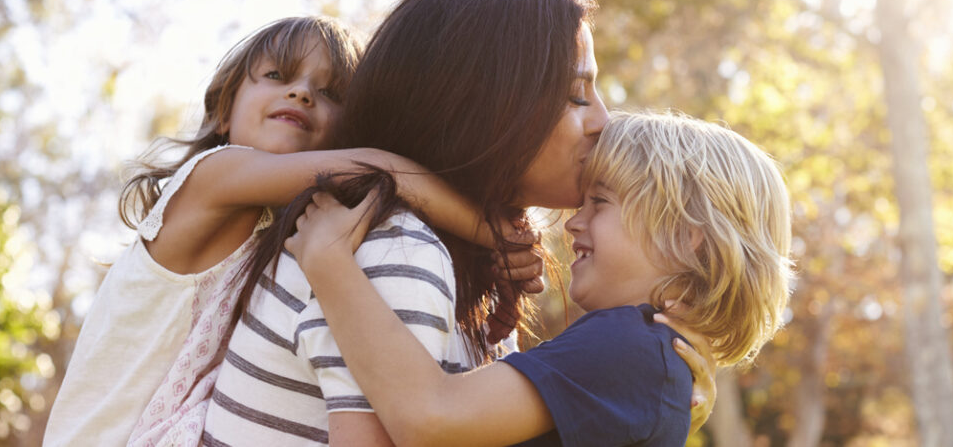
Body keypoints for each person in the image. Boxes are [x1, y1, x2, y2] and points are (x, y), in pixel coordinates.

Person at [202, 0, 714, 446]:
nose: (603, 120)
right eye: (576, 93)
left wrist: (649, 394)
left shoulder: (446, 258)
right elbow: (427, 417)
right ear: (487, 104)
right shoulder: (395, 250)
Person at [43, 16, 537, 447]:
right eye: (277, 76)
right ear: (222, 110)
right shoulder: (211, 178)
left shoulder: (282, 229)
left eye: (330, 93)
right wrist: (493, 233)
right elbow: (378, 168)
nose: (301, 92)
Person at [290, 110, 794, 446]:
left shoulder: (627, 345)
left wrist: (329, 260)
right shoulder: (650, 359)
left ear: (687, 238)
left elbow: (430, 417)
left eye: (600, 202)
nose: (574, 221)